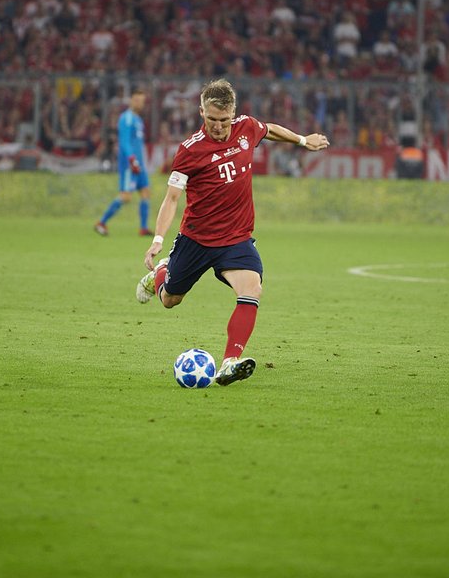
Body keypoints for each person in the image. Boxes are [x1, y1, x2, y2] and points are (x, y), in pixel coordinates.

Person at [136, 79, 329, 385]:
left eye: (224, 120)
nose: (218, 126)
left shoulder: (246, 128)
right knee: (171, 300)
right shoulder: (189, 150)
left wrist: (303, 141)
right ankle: (160, 273)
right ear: (202, 112)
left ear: (233, 114)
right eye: (212, 119)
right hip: (197, 239)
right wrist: (158, 240)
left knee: (252, 289)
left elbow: (270, 129)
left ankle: (229, 361)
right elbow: (172, 198)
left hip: (236, 239)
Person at [95, 88, 152, 236]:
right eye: (137, 100)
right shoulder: (126, 118)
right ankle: (101, 222)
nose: (140, 103)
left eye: (142, 101)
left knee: (145, 192)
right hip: (129, 164)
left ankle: (143, 228)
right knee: (126, 196)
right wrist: (132, 159)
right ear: (131, 100)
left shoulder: (138, 120)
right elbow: (124, 142)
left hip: (140, 164)